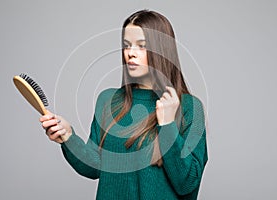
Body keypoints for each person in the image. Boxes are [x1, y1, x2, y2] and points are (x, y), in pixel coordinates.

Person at [40, 9, 208, 200]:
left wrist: (168, 124)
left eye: (141, 46)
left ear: (161, 49)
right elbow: (93, 166)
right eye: (127, 45)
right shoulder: (109, 100)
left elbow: (187, 184)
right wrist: (68, 137)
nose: (130, 53)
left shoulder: (190, 107)